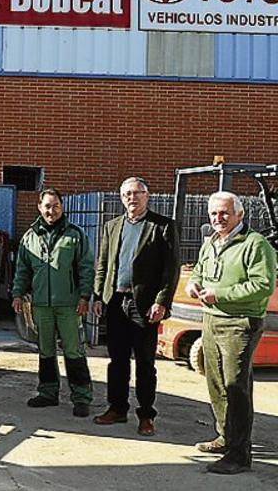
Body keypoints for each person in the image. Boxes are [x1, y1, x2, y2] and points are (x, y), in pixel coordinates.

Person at [187, 191, 275, 475]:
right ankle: (225, 437)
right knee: (216, 384)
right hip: (211, 320)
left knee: (236, 386)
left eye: (224, 213)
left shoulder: (255, 244)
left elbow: (262, 285)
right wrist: (194, 283)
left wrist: (219, 294)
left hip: (239, 323)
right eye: (213, 214)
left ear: (240, 214)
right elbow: (200, 269)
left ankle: (239, 454)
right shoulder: (211, 241)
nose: (218, 219)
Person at [92, 177, 180, 436]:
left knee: (144, 363)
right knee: (117, 361)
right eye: (127, 194)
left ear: (147, 196)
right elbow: (103, 264)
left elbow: (170, 269)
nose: (132, 198)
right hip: (116, 302)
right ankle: (117, 408)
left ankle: (146, 415)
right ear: (121, 198)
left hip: (144, 305)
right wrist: (98, 296)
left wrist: (162, 302)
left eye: (137, 193)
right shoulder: (112, 226)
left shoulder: (161, 226)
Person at [12, 188, 94, 417]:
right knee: (45, 350)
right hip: (41, 305)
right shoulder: (30, 237)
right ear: (40, 208)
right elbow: (22, 270)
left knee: (73, 351)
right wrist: (17, 294)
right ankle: (48, 393)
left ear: (62, 207)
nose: (52, 211)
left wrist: (85, 296)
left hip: (69, 304)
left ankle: (81, 397)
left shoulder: (75, 235)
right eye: (47, 206)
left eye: (56, 206)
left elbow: (86, 267)